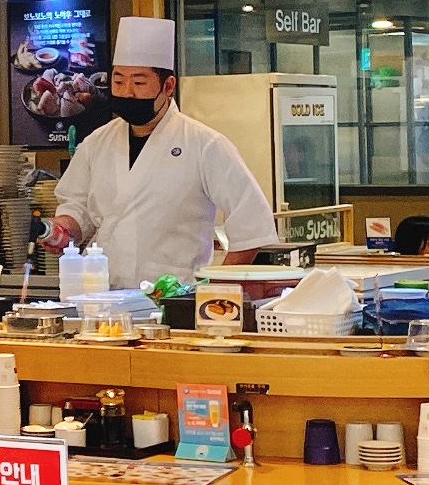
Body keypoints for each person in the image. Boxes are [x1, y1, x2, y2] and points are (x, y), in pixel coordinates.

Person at [40, 16, 278, 289]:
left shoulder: (204, 144)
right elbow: (77, 209)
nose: (127, 93)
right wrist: (63, 228)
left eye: (139, 83)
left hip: (174, 298)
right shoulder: (97, 142)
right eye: (119, 81)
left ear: (168, 86)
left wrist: (215, 290)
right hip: (103, 296)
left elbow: (252, 224)